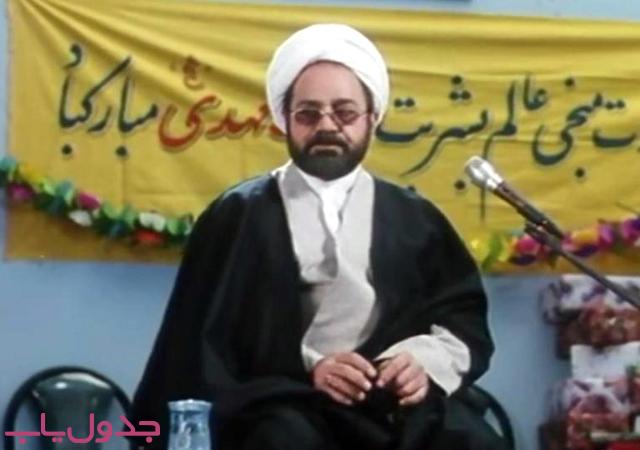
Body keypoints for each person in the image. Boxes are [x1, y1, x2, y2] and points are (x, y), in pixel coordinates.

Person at [130, 23, 502, 450]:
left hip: (388, 402)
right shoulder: (238, 215)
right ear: (284, 121)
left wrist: (421, 364)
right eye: (308, 114)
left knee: (473, 440)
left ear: (373, 119)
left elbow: (461, 318)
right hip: (281, 402)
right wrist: (309, 368)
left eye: (345, 113)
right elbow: (202, 346)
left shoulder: (416, 219)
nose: (327, 126)